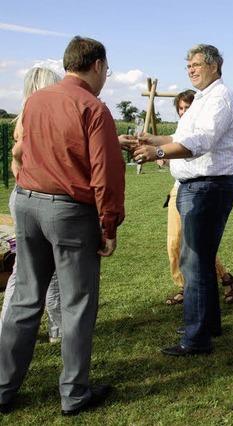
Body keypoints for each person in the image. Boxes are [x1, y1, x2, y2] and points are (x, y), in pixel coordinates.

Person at [0, 36, 125, 416]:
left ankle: (3, 388)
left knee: (24, 297)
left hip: (26, 202)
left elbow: (21, 150)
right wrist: (109, 225)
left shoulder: (36, 101)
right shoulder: (93, 107)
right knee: (76, 304)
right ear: (98, 66)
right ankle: (73, 393)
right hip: (69, 210)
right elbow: (106, 174)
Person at [133, 44, 233, 357]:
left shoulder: (220, 98)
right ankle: (209, 327)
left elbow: (200, 142)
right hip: (198, 186)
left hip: (208, 187)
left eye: (196, 64)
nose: (191, 70)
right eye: (188, 66)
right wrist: (150, 140)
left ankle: (196, 340)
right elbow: (180, 138)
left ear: (215, 65)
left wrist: (157, 153)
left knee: (193, 264)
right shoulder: (203, 100)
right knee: (201, 262)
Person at [1, 67, 63, 344]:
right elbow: (20, 151)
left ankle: (10, 328)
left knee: (26, 268)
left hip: (23, 195)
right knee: (46, 270)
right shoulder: (38, 117)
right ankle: (58, 330)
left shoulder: (25, 115)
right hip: (37, 198)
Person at [162, 90, 233, 306]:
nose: (184, 112)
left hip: (199, 189)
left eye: (188, 108)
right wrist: (163, 155)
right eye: (181, 109)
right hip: (179, 188)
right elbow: (177, 155)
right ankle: (189, 285)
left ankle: (216, 282)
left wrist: (160, 152)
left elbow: (198, 154)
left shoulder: (204, 129)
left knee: (196, 246)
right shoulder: (182, 129)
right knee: (175, 243)